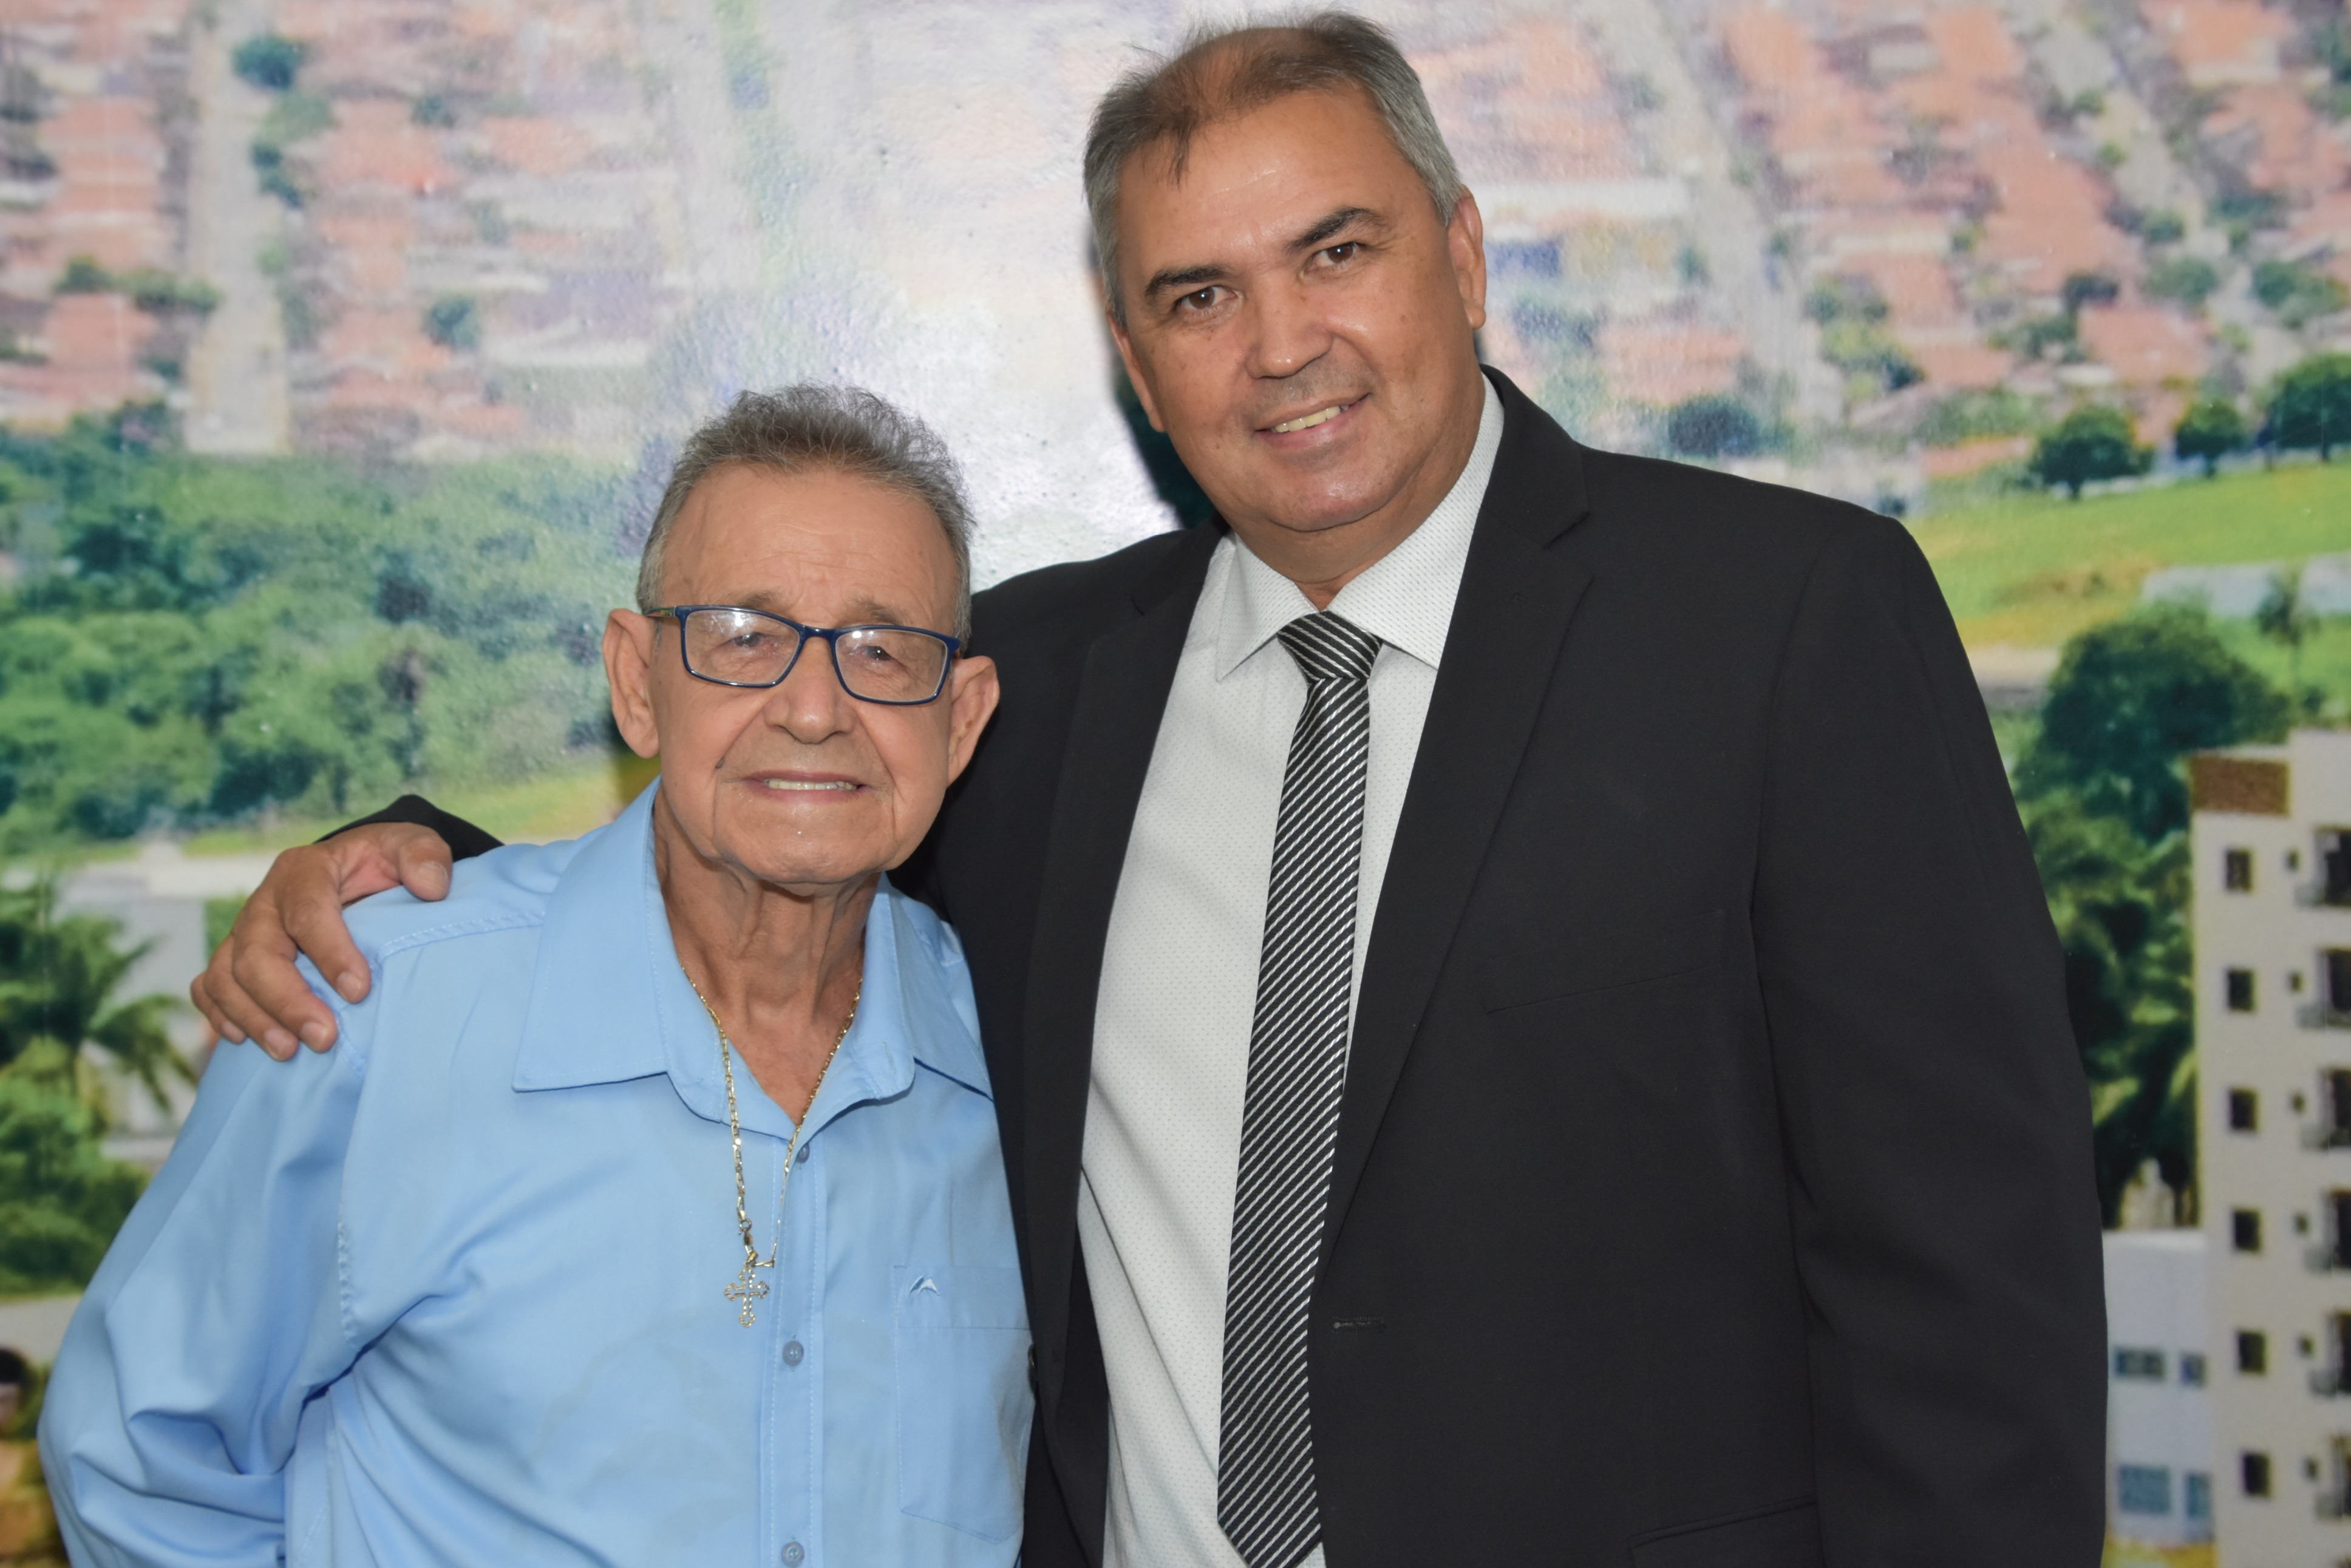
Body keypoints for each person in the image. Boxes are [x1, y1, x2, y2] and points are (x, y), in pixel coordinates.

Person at [195, 15, 2106, 1568]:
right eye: (1198, 296)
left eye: (1336, 253)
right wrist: (411, 871)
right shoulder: (1031, 682)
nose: (1281, 347)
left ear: (1460, 253)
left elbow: (1968, 1295)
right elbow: (760, 844)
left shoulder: (1786, 620)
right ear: (1132, 356)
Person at [45, 387, 1030, 1566]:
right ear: (636, 682)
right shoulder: (376, 1010)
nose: (815, 708)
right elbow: (138, 1465)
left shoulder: (1024, 1055)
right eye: (743, 637)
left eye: (883, 650)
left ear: (960, 721)